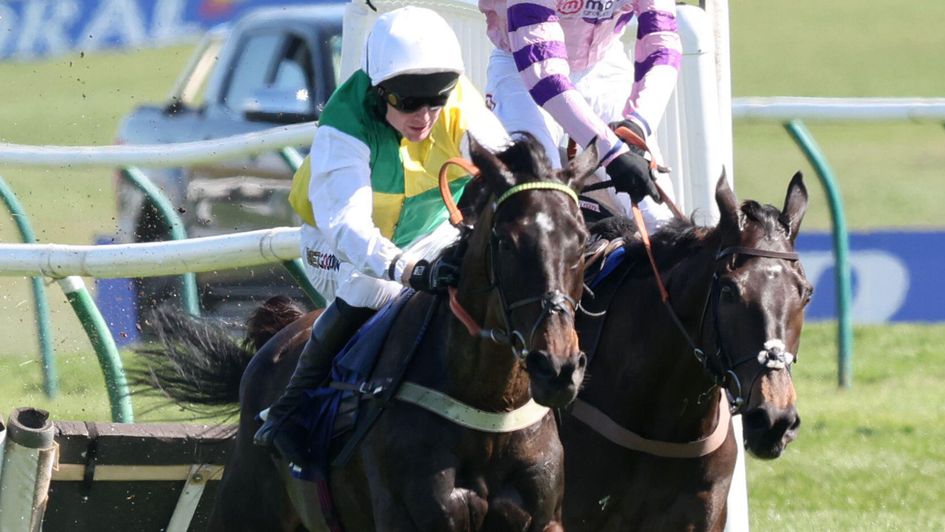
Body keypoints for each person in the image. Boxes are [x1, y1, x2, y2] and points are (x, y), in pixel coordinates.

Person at [253, 6, 510, 464]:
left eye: (436, 98)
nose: (424, 114)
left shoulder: (455, 106)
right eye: (407, 101)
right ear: (379, 90)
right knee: (378, 286)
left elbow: (509, 168)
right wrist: (409, 269)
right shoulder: (345, 124)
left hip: (428, 234)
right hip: (335, 246)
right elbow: (349, 228)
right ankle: (289, 410)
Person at [479, 0, 682, 228]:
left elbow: (662, 47)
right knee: (540, 206)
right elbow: (545, 76)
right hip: (522, 66)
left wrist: (637, 126)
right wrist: (612, 153)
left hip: (603, 63)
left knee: (659, 216)